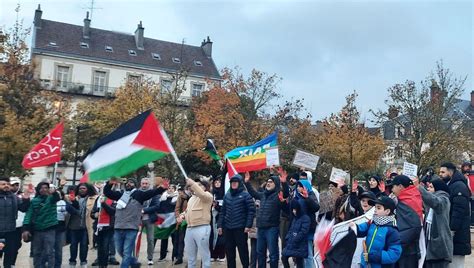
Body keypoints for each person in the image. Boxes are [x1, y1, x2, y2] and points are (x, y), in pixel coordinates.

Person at [103, 177, 167, 268]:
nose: (129, 184)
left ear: (135, 185)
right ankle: (133, 263)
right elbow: (107, 192)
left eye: (131, 182)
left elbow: (151, 193)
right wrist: (110, 183)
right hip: (118, 227)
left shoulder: (139, 194)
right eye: (127, 182)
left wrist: (162, 188)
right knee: (120, 251)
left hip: (131, 227)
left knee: (126, 251)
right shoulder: (120, 194)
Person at [244, 172, 289, 268]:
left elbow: (285, 194)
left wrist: (284, 183)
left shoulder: (278, 196)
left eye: (271, 182)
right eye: (268, 182)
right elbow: (253, 193)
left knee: (273, 254)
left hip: (272, 229)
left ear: (276, 184)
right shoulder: (263, 195)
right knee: (260, 253)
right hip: (260, 228)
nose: (268, 183)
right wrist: (247, 182)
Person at [351, 196, 402, 268]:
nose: (375, 210)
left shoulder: (392, 230)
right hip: (365, 264)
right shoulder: (372, 222)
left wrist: (373, 257)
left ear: (387, 211)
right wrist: (355, 228)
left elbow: (394, 253)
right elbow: (363, 228)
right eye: (375, 207)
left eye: (378, 208)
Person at [218, 174, 256, 268]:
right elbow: (223, 212)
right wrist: (220, 225)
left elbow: (251, 211)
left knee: (243, 252)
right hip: (228, 229)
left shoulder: (246, 195)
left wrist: (248, 225)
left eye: (236, 182)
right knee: (229, 253)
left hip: (240, 228)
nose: (234, 184)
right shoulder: (227, 195)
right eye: (232, 182)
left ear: (239, 183)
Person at [439, 162, 471, 267]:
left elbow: (459, 211)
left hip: (457, 234)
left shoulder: (459, 186)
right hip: (453, 232)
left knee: (455, 264)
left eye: (443, 172)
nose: (440, 174)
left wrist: (452, 230)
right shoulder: (452, 185)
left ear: (450, 172)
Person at [177, 178, 213, 268]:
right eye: (197, 185)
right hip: (189, 228)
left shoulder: (208, 196)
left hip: (202, 227)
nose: (197, 187)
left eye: (200, 185)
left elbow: (201, 194)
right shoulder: (192, 198)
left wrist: (193, 183)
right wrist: (182, 215)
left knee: (205, 256)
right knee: (191, 257)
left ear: (205, 187)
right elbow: (187, 211)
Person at [23, 181, 61, 268]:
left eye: (46, 188)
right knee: (37, 252)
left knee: (50, 252)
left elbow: (57, 197)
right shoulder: (34, 201)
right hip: (37, 230)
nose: (43, 190)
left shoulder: (51, 199)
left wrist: (55, 191)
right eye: (41, 188)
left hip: (49, 229)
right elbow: (29, 214)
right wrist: (25, 228)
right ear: (38, 190)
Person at [419, 179, 453, 268]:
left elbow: (435, 202)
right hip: (429, 247)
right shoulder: (430, 202)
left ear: (438, 189)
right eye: (428, 187)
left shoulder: (444, 199)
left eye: (431, 187)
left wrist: (419, 188)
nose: (428, 189)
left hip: (440, 248)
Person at [390, 175, 423, 267]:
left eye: (393, 186)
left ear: (400, 186)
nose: (392, 190)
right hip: (408, 248)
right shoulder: (411, 197)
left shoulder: (408, 201)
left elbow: (412, 228)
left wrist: (394, 243)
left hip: (407, 250)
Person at [0, 177, 30, 268]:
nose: (6, 186)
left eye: (7, 184)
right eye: (3, 184)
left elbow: (23, 208)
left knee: (10, 253)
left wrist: (26, 199)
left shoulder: (14, 197)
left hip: (10, 231)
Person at [66, 183, 97, 267]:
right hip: (73, 226)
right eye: (80, 188)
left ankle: (83, 262)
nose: (82, 190)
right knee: (73, 246)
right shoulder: (72, 198)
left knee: (84, 246)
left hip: (85, 226)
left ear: (88, 189)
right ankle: (72, 261)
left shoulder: (92, 199)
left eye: (84, 188)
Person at [292, 179, 319, 268]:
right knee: (299, 254)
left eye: (301, 186)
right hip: (298, 229)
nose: (299, 188)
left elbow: (316, 207)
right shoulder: (296, 197)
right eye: (298, 186)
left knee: (308, 254)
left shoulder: (311, 195)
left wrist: (307, 198)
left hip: (308, 229)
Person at [282, 200, 310, 268]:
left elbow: (303, 232)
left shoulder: (306, 218)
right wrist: (288, 238)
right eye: (293, 209)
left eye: (295, 209)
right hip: (291, 243)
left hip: (300, 245)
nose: (294, 211)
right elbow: (291, 230)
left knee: (299, 260)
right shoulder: (295, 218)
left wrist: (295, 239)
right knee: (284, 257)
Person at [91, 194, 117, 268]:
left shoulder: (113, 199)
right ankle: (100, 264)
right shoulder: (99, 198)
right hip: (98, 226)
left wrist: (103, 203)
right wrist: (94, 215)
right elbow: (93, 212)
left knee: (105, 247)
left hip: (108, 227)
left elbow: (113, 211)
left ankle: (104, 265)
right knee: (100, 247)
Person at [139, 178, 160, 265]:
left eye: (146, 183)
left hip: (149, 219)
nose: (144, 185)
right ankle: (134, 258)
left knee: (151, 240)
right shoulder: (137, 193)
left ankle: (150, 258)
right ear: (140, 184)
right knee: (136, 239)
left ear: (149, 184)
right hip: (138, 220)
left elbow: (157, 206)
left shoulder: (154, 193)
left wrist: (144, 210)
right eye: (143, 183)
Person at [155, 184, 178, 262]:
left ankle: (176, 255)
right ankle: (162, 256)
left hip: (173, 222)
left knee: (174, 239)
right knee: (164, 238)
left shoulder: (177, 198)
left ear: (175, 189)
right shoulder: (163, 198)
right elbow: (160, 209)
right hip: (165, 221)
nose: (170, 189)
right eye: (169, 188)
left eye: (172, 188)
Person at [210, 177, 226, 262]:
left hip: (221, 219)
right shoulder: (212, 194)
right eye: (215, 183)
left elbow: (224, 209)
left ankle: (222, 255)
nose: (217, 184)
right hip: (212, 218)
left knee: (221, 238)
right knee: (212, 237)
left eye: (219, 182)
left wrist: (216, 206)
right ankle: (213, 255)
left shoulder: (224, 194)